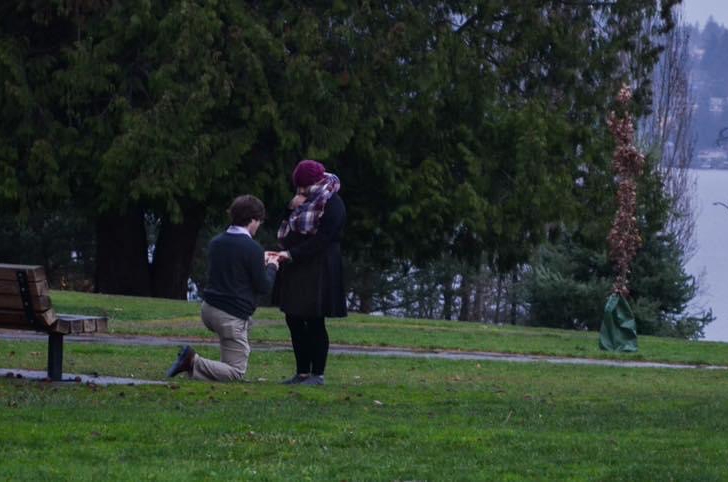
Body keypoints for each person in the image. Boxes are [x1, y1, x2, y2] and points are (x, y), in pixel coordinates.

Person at [167, 195, 278, 381]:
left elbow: (235, 268)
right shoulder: (252, 248)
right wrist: (273, 266)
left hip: (209, 309)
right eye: (259, 221)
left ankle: (203, 368)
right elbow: (263, 286)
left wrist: (261, 261)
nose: (258, 226)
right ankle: (192, 361)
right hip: (231, 315)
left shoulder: (216, 242)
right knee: (236, 372)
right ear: (252, 219)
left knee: (229, 362)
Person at [272, 159, 347, 386]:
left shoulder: (332, 202)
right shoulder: (302, 202)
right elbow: (285, 227)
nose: (300, 190)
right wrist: (290, 208)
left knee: (315, 320)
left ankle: (318, 374)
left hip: (319, 266)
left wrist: (293, 254)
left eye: (303, 185)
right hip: (297, 264)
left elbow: (324, 239)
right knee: (293, 317)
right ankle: (302, 371)